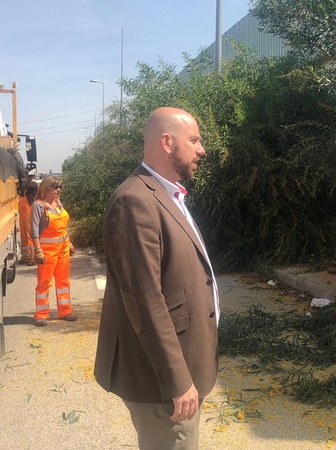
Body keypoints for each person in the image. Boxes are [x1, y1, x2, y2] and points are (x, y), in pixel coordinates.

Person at [94, 107, 219, 450]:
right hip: (160, 382)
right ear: (167, 142)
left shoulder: (164, 193)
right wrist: (177, 379)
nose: (201, 149)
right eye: (194, 140)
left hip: (176, 369)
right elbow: (145, 300)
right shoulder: (135, 201)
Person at [30, 175, 77, 327]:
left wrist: (68, 242)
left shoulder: (57, 203)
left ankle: (65, 311)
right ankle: (41, 314)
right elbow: (34, 230)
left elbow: (63, 227)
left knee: (63, 281)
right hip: (47, 251)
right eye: (55, 187)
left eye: (60, 188)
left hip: (63, 249)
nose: (58, 190)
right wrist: (38, 250)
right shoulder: (38, 206)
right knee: (44, 282)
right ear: (46, 189)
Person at [18, 177, 38, 265]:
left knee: (29, 234)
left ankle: (32, 257)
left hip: (28, 212)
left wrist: (21, 180)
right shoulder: (25, 187)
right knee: (23, 234)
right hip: (23, 213)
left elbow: (25, 185)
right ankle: (25, 256)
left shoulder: (33, 185)